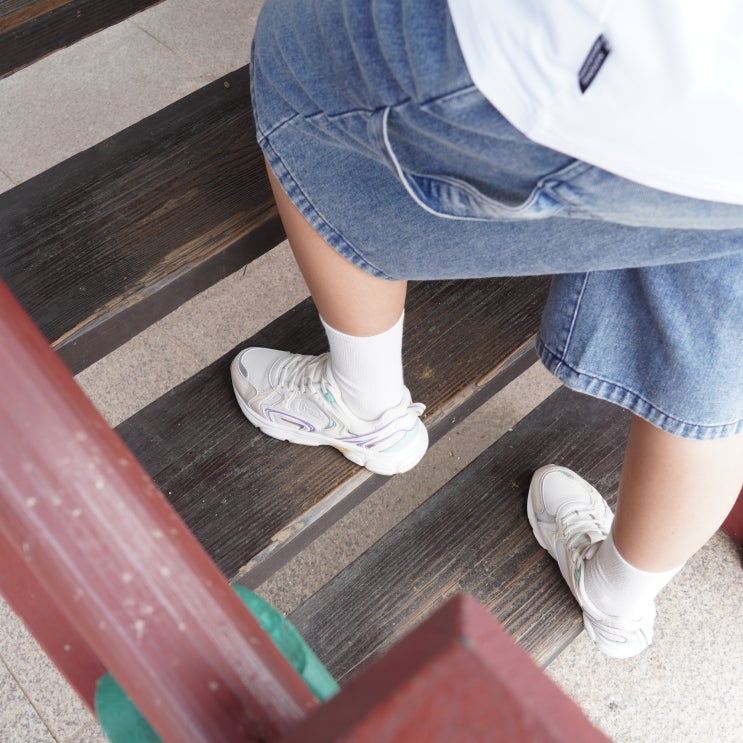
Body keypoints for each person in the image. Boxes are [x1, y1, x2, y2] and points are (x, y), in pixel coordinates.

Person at [230, 0, 743, 658]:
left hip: (622, 71)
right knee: (721, 336)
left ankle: (361, 402)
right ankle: (618, 598)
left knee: (297, 59)